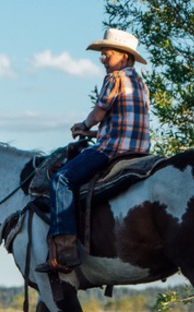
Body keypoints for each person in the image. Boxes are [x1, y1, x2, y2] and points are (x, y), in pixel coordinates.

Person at [36, 29, 151, 273]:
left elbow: (99, 113)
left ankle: (64, 248)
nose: (102, 59)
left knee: (61, 180)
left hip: (113, 150)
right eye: (102, 55)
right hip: (140, 151)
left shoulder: (115, 78)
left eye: (107, 54)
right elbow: (123, 123)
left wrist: (85, 125)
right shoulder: (141, 83)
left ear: (125, 57)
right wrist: (93, 133)